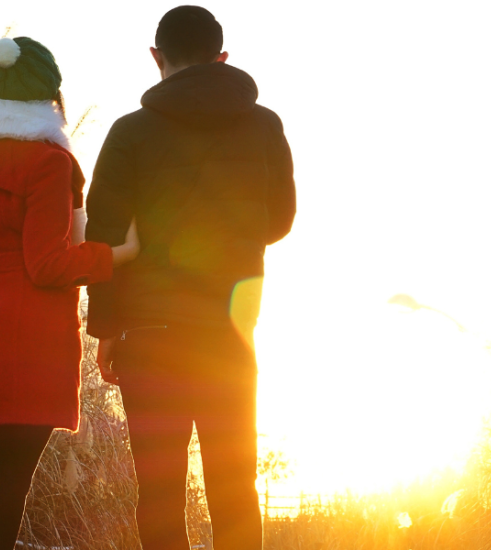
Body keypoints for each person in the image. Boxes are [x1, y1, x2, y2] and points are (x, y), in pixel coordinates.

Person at [84, 6, 296, 550]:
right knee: (234, 489)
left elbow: (104, 239)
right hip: (229, 335)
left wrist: (105, 327)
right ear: (222, 58)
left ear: (156, 57)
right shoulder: (264, 125)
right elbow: (280, 221)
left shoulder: (129, 133)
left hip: (149, 338)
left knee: (159, 491)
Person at [0, 37, 140, 550]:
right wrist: (118, 254)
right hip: (28, 339)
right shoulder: (48, 163)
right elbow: (47, 263)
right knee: (11, 479)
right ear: (49, 97)